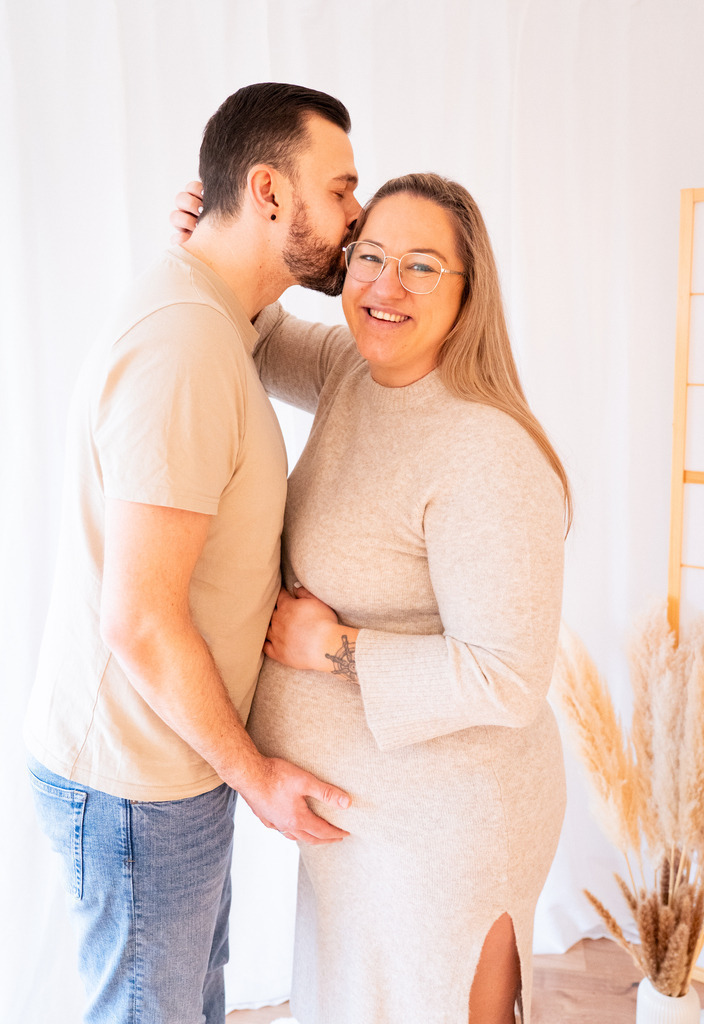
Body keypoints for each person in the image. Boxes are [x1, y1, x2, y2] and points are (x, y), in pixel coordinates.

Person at [177, 171, 570, 1024]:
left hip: (448, 827)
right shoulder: (358, 375)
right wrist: (213, 238)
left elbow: (510, 676)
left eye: (423, 267)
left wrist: (336, 648)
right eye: (371, 258)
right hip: (365, 820)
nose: (386, 287)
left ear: (469, 294)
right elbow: (262, 328)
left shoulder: (485, 453)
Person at [23, 82, 362, 1024]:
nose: (354, 217)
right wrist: (257, 778)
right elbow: (137, 617)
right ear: (267, 191)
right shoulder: (184, 344)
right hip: (138, 784)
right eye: (340, 189)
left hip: (168, 773)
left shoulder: (212, 319)